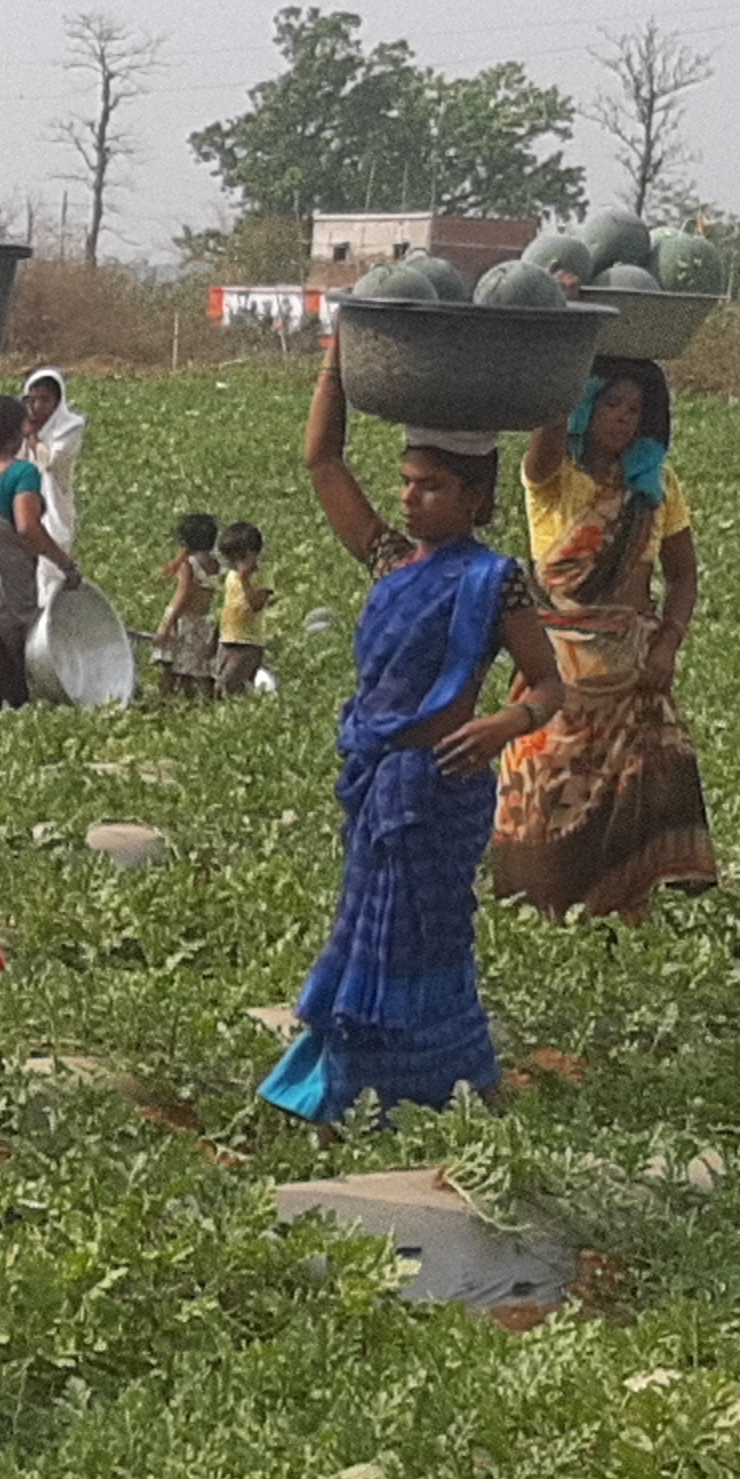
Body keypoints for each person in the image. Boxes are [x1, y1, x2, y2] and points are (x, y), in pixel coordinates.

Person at [256, 332, 560, 1126]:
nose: (410, 498)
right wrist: (338, 351)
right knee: (367, 930)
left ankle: (442, 1077)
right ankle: (355, 1081)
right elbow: (323, 462)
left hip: (444, 786)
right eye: (406, 482)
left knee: (430, 931)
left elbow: (552, 682)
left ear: (474, 502)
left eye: (430, 487)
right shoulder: (395, 564)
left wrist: (505, 722)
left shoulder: (498, 583)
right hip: (381, 783)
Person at [488, 355, 718, 921]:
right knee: (545, 789)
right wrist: (567, 344)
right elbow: (545, 438)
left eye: (635, 408)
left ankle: (625, 910)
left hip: (634, 671)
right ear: (585, 406)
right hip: (560, 669)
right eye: (610, 403)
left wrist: (668, 644)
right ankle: (545, 905)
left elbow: (683, 574)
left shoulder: (656, 486)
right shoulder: (556, 479)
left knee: (633, 801)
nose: (622, 417)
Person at [0, 398, 79, 708]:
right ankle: (6, 701)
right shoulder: (22, 473)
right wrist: (65, 564)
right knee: (9, 641)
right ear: (16, 433)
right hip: (8, 579)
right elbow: (27, 528)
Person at [14, 365, 93, 551]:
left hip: (53, 497)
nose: (37, 406)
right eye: (33, 400)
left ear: (58, 401)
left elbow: (51, 462)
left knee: (53, 547)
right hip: (24, 497)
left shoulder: (69, 428)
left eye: (45, 400)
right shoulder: (20, 424)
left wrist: (32, 437)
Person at [153, 511, 229, 698]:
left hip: (183, 622)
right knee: (194, 671)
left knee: (171, 671)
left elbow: (181, 596)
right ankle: (191, 702)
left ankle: (165, 701)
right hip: (204, 622)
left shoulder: (189, 564)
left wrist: (166, 625)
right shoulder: (216, 564)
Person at [212, 520, 274, 698]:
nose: (236, 564)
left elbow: (256, 604)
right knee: (218, 682)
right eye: (231, 559)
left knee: (231, 685)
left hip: (248, 643)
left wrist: (245, 580)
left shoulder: (262, 575)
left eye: (241, 558)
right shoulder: (231, 576)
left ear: (255, 553)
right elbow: (227, 607)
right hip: (228, 639)